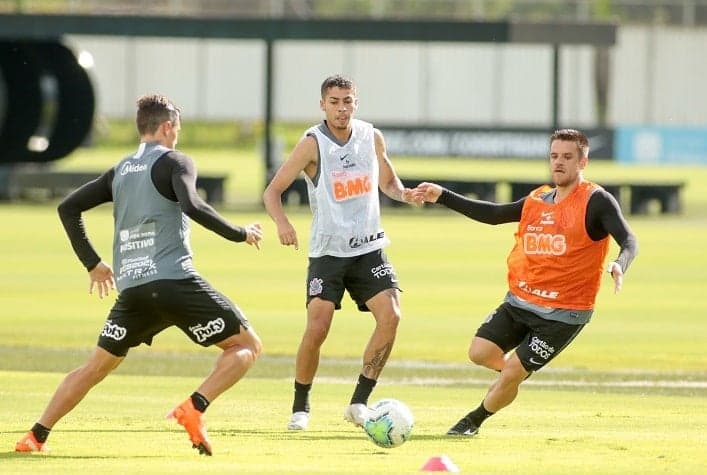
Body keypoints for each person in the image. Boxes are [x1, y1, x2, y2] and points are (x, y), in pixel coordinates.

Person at [15, 94, 263, 456]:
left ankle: (35, 436)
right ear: (166, 127)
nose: (177, 134)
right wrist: (240, 233)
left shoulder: (120, 170)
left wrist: (92, 263)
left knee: (95, 367)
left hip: (132, 290)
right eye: (176, 127)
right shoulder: (176, 161)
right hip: (173, 281)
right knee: (246, 346)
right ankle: (194, 407)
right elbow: (193, 205)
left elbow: (68, 207)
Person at [413, 128, 638, 436]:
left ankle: (473, 421)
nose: (558, 163)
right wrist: (443, 196)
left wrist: (619, 263)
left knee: (512, 374)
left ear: (583, 162)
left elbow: (629, 239)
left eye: (567, 157)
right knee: (479, 353)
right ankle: (514, 373)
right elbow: (494, 214)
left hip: (564, 313)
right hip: (521, 301)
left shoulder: (596, 201)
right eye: (554, 156)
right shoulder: (538, 200)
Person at [263, 74, 419, 431]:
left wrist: (406, 194)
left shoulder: (371, 136)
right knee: (318, 327)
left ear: (355, 102)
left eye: (347, 101)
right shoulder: (311, 143)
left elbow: (389, 183)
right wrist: (282, 224)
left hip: (369, 249)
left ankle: (359, 403)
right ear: (323, 105)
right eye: (334, 102)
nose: (341, 108)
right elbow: (272, 192)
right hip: (328, 252)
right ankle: (300, 407)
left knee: (392, 316)